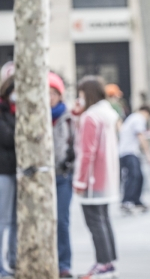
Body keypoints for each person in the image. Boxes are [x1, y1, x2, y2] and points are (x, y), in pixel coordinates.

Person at [72, 76, 120, 279]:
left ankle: (103, 263)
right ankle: (108, 262)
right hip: (107, 176)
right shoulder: (108, 113)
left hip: (92, 179)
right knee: (103, 220)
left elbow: (86, 152)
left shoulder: (91, 117)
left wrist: (80, 181)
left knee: (94, 222)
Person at [49, 72, 75, 278]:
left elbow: (77, 145)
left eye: (53, 93)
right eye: (46, 93)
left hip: (62, 175)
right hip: (39, 177)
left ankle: (64, 264)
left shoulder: (68, 118)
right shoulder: (32, 116)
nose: (49, 97)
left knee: (62, 221)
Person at [118, 105, 150, 213]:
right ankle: (127, 201)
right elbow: (141, 136)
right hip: (129, 152)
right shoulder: (139, 118)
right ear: (146, 113)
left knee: (139, 176)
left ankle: (136, 200)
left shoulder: (132, 118)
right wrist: (148, 154)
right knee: (133, 176)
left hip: (127, 152)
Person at [0, 76, 16, 278]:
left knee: (14, 220)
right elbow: (7, 138)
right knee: (2, 220)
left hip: (15, 171)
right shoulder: (2, 110)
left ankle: (13, 259)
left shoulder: (14, 111)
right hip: (3, 171)